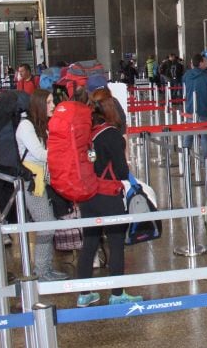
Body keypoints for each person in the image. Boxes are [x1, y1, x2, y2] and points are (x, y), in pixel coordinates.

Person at [75, 88, 143, 307]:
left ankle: (84, 293)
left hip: (87, 195)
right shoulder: (111, 135)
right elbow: (122, 172)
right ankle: (117, 293)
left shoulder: (85, 133)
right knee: (115, 244)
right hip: (108, 195)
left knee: (89, 244)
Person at [16, 89, 68, 281]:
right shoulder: (26, 126)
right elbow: (39, 153)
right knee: (46, 226)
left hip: (43, 179)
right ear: (38, 104)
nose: (52, 105)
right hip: (33, 182)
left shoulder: (40, 125)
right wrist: (64, 152)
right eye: (48, 102)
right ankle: (41, 270)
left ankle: (45, 267)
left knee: (48, 224)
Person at [183, 53, 207, 157]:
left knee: (188, 136)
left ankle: (185, 160)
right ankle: (206, 162)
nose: (206, 63)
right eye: (205, 61)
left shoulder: (186, 75)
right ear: (200, 63)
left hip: (190, 109)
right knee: (205, 137)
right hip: (204, 109)